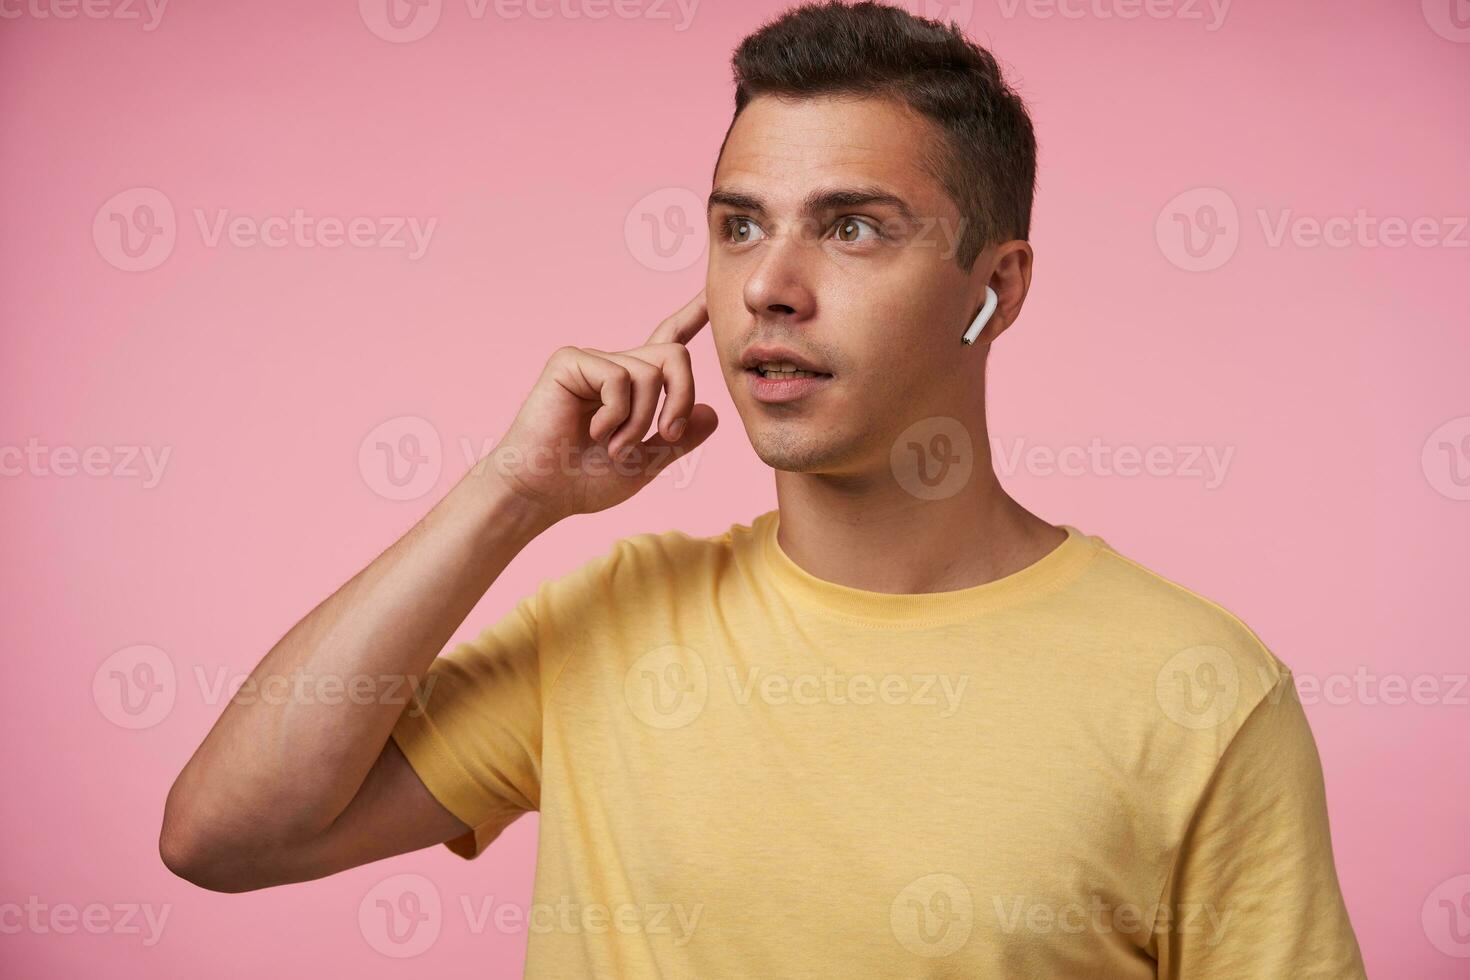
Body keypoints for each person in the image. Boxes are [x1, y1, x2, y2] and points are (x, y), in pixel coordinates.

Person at [161, 2, 1366, 975]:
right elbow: (223, 836)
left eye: (852, 229)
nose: (770, 288)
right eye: (740, 226)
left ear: (996, 286)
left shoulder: (1201, 687)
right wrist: (511, 495)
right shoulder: (614, 619)